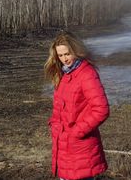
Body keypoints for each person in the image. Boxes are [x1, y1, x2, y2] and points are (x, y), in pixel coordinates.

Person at [45, 31, 109, 180]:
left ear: (76, 50)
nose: (64, 59)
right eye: (60, 56)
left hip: (80, 147)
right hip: (63, 146)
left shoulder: (86, 74)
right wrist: (55, 126)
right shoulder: (63, 74)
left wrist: (76, 132)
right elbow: (60, 108)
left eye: (67, 54)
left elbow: (101, 109)